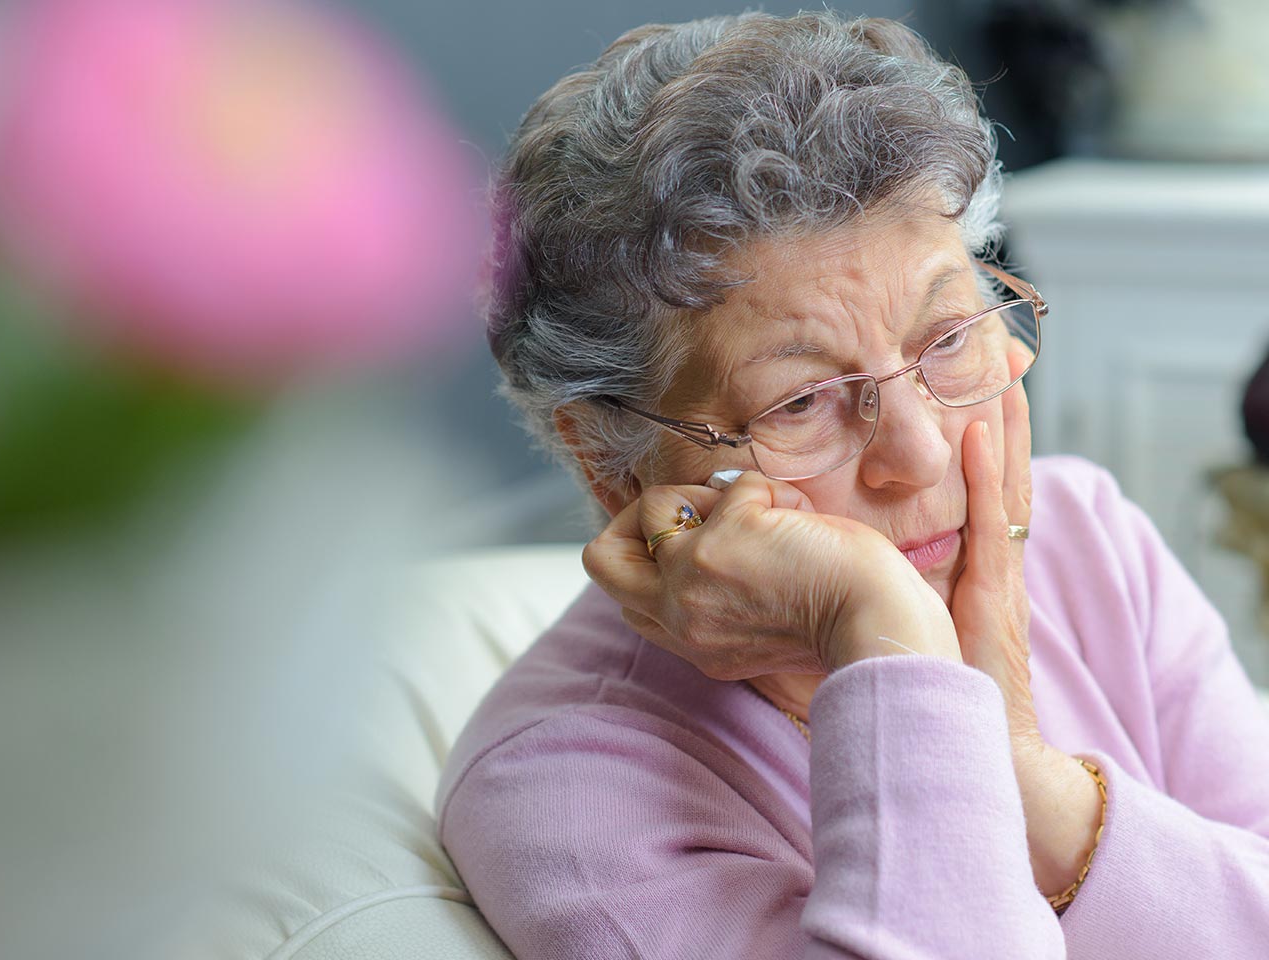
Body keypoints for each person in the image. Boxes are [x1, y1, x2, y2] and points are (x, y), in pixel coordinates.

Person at [435, 11, 1269, 959]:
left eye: (948, 338)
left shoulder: (1088, 536)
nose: (918, 454)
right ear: (608, 462)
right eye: (803, 401)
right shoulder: (563, 788)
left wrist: (1040, 795)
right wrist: (888, 642)